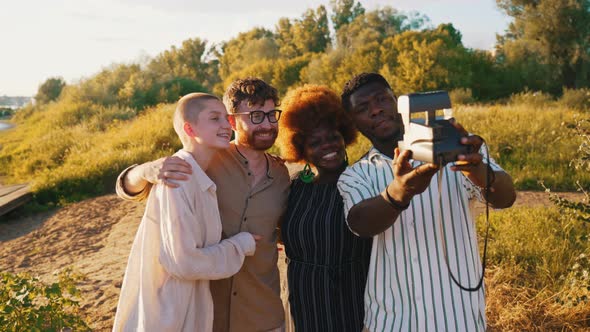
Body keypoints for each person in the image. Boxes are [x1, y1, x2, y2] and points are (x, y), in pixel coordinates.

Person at [337, 73, 516, 332]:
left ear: (398, 102)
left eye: (381, 100)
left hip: (458, 320)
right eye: (363, 108)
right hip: (392, 323)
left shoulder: (457, 152)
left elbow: (506, 197)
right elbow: (360, 223)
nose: (376, 110)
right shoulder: (357, 173)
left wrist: (477, 171)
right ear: (353, 122)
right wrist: (399, 192)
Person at [115, 78, 290, 332]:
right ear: (232, 121)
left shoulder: (282, 174)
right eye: (255, 116)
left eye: (271, 115)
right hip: (206, 317)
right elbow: (130, 188)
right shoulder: (204, 161)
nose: (266, 124)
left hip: (263, 315)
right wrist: (143, 170)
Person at [275, 85, 372, 331]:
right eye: (315, 142)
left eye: (332, 137)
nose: (328, 146)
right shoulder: (294, 187)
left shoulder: (361, 181)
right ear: (300, 148)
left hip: (352, 300)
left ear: (345, 135)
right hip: (303, 301)